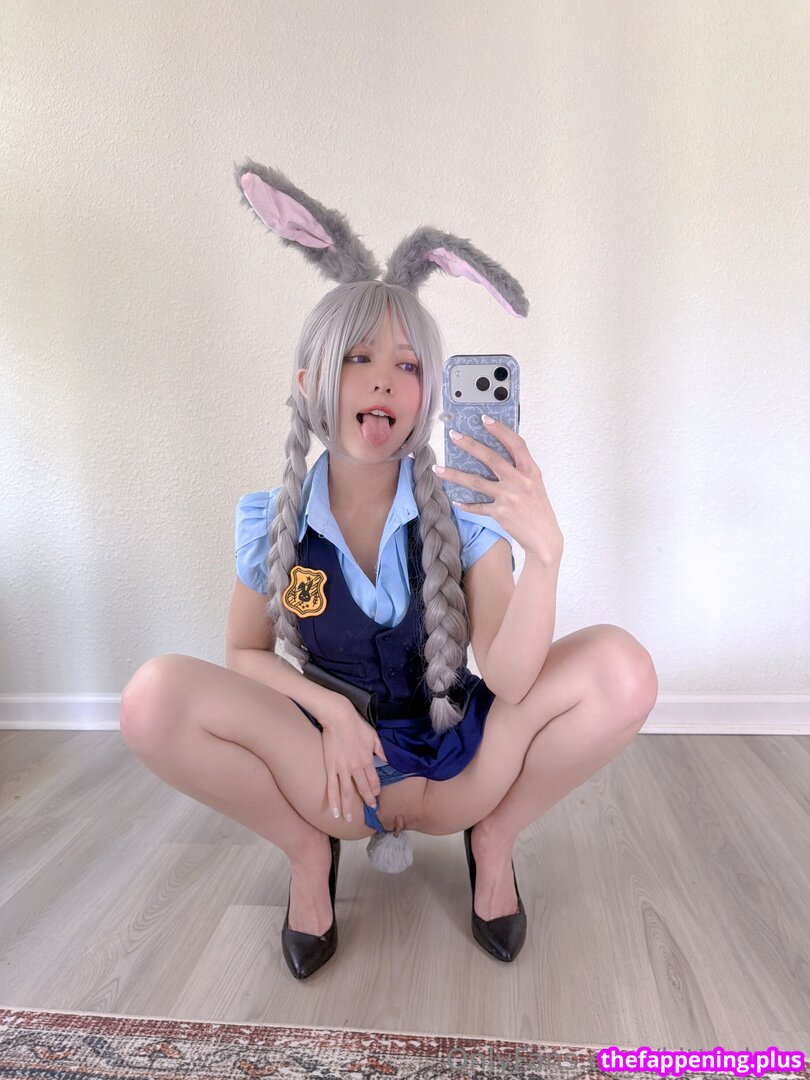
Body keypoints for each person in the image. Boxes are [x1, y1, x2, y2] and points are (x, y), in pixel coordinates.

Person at [119, 163, 659, 980]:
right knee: (152, 696)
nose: (382, 377)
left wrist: (545, 553)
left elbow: (511, 679)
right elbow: (243, 654)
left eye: (407, 365)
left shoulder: (467, 513)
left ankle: (495, 838)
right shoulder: (273, 521)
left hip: (459, 761)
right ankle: (308, 855)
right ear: (310, 382)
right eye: (358, 356)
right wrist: (329, 714)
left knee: (624, 670)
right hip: (330, 775)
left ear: (430, 394)